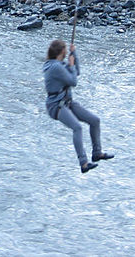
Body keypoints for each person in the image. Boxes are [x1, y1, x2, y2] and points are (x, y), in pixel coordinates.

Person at [43, 39, 113, 173]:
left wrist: (74, 56)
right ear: (62, 51)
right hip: (56, 106)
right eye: (66, 50)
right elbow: (73, 81)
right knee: (77, 128)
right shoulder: (55, 67)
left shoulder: (60, 64)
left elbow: (77, 72)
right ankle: (84, 163)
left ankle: (97, 152)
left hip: (67, 102)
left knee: (95, 121)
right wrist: (71, 65)